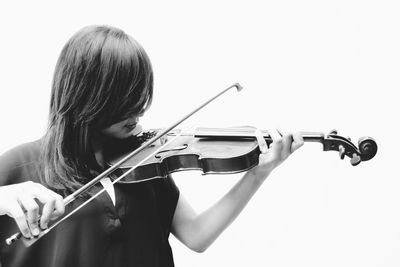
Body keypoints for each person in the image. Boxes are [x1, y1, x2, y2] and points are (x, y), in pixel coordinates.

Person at [0, 25, 304, 267]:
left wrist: (258, 174)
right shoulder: (18, 167)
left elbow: (197, 235)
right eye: (124, 102)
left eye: (140, 99)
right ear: (87, 98)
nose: (137, 115)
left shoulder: (143, 161)